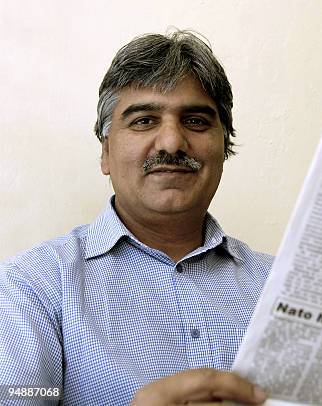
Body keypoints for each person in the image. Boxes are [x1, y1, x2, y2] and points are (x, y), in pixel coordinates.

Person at [0, 30, 272, 405]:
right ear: (106, 153)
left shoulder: (281, 287)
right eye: (144, 121)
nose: (171, 143)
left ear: (223, 147)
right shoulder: (33, 288)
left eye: (195, 121)